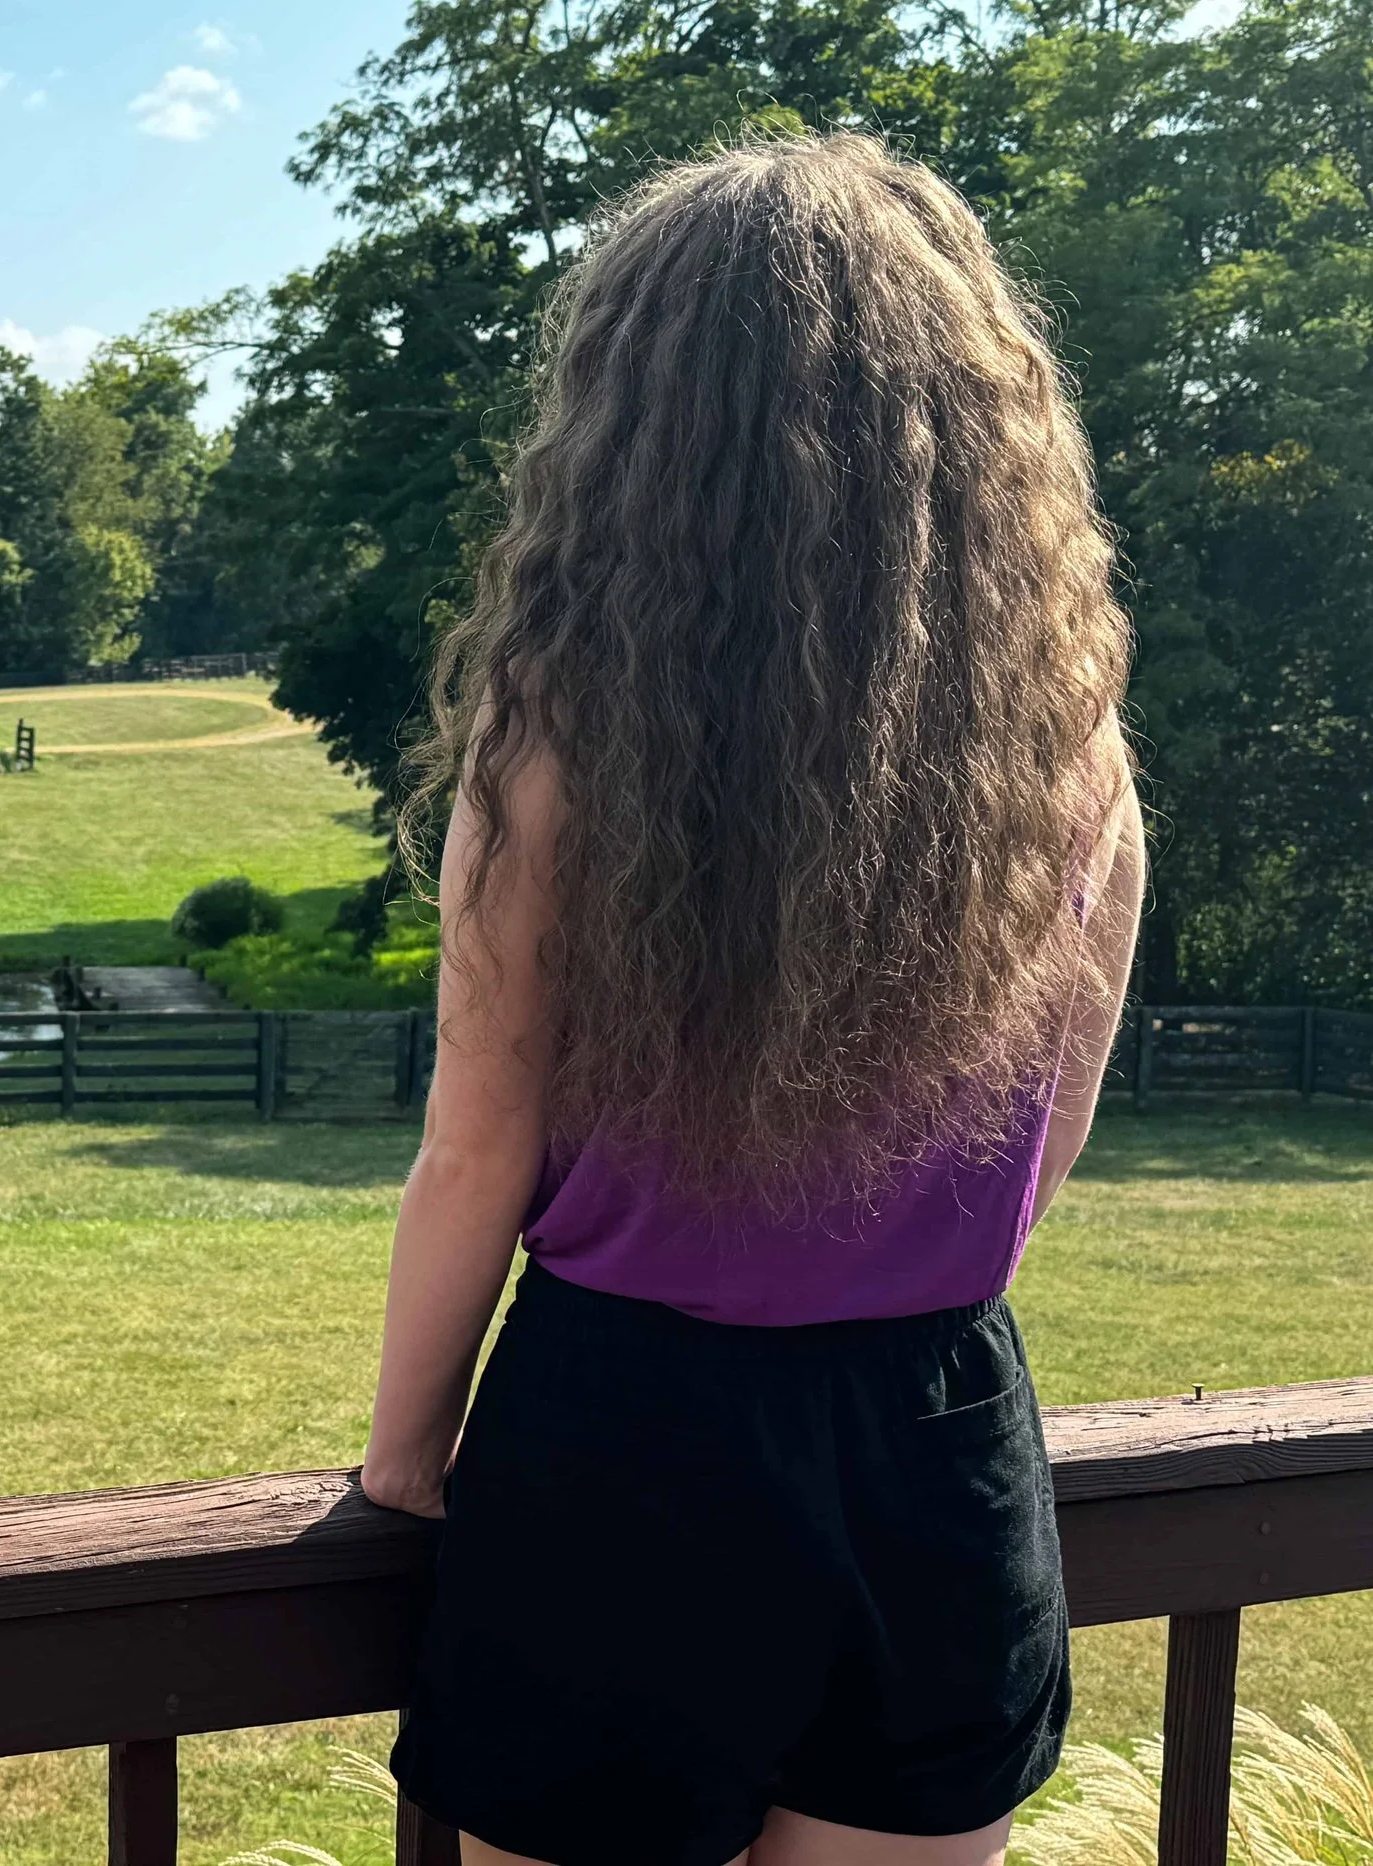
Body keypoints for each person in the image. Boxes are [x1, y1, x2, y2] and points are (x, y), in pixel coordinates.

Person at [365, 133, 1143, 1866]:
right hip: (938, 1444)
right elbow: (1046, 1134)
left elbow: (473, 1149)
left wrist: (404, 1456)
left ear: (634, 425)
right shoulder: (1074, 760)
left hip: (619, 1448)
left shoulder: (558, 744)